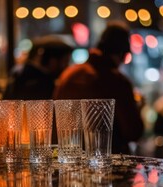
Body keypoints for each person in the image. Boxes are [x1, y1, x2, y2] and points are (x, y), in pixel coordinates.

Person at [52, 21, 144, 155]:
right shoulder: (117, 81)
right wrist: (138, 107)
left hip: (69, 157)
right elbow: (133, 131)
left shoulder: (70, 74)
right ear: (122, 53)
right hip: (108, 161)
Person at [4, 35, 74, 100]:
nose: (67, 66)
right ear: (52, 60)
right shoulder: (42, 83)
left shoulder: (22, 73)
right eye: (65, 61)